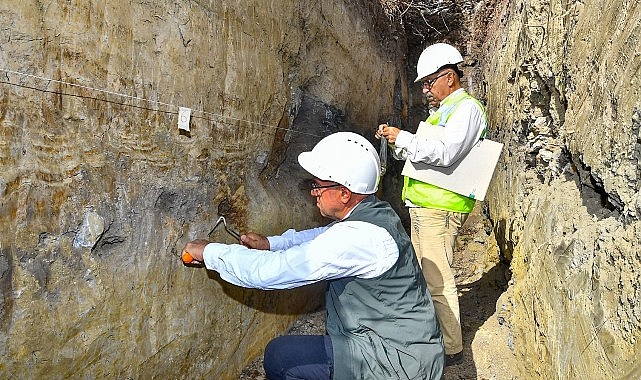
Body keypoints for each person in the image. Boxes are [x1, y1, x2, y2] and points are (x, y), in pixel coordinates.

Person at [182, 131, 444, 379]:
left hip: (400, 362)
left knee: (281, 357)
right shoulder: (373, 212)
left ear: (344, 193)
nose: (313, 192)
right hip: (406, 347)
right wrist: (271, 244)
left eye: (318, 186)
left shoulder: (360, 238)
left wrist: (209, 251)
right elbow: (321, 237)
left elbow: (269, 272)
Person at [375, 42, 488, 366]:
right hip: (427, 206)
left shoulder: (466, 109)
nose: (425, 89)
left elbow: (446, 153)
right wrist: (397, 143)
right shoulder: (442, 114)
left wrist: (405, 138)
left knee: (438, 280)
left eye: (429, 81)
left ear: (449, 77)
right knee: (427, 276)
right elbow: (424, 153)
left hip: (441, 208)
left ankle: (451, 348)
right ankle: (436, 335)